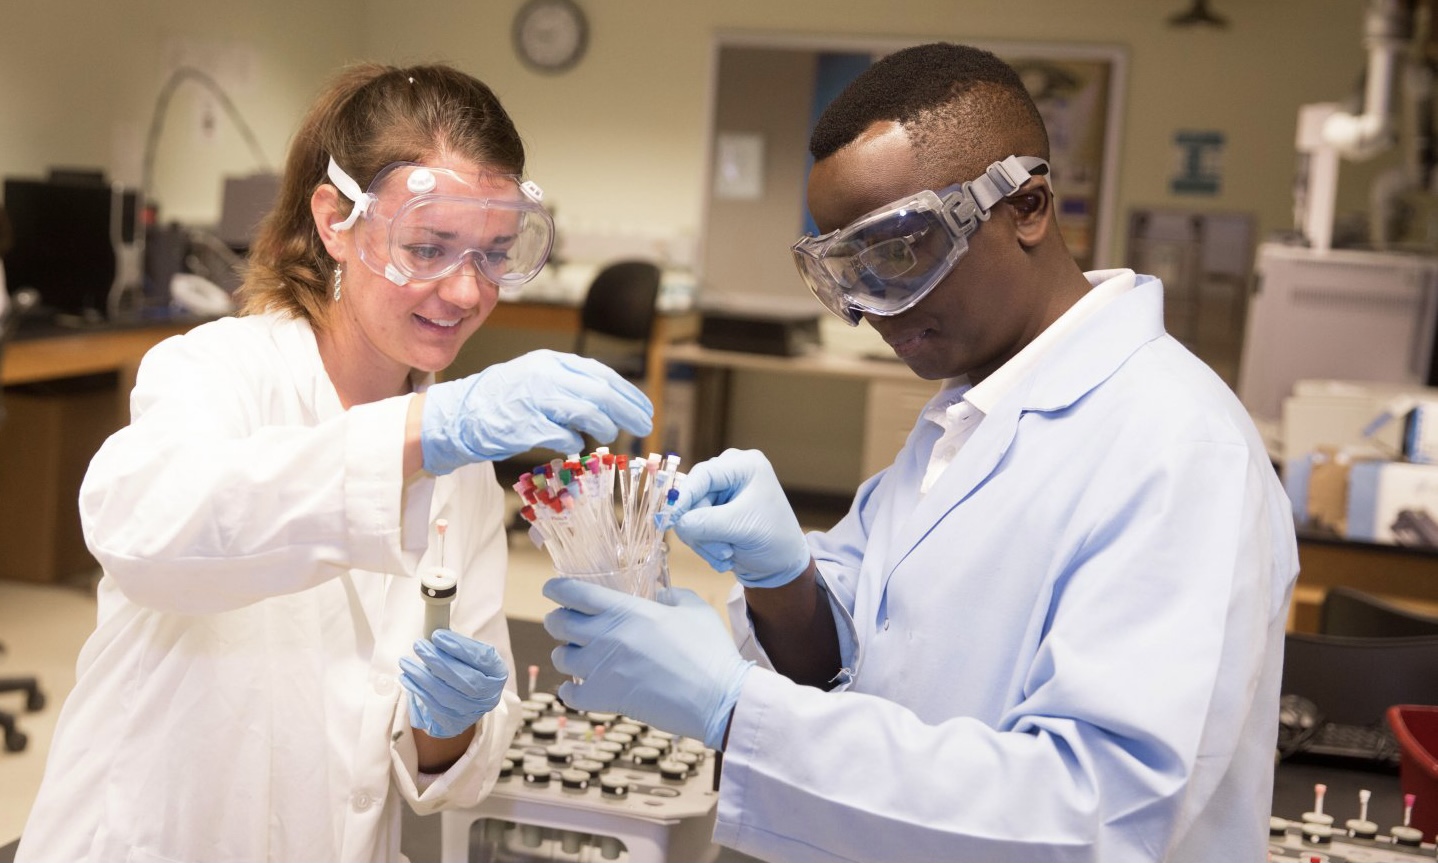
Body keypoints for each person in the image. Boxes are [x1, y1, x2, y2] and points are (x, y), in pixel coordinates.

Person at [543, 43, 1298, 862]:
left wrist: (735, 710)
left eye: (898, 253)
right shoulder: (967, 411)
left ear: (1029, 206)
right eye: (845, 269)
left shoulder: (1178, 449)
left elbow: (1094, 815)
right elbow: (873, 652)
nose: (868, 308)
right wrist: (788, 585)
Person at [16, 63, 652, 863]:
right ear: (336, 222)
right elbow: (143, 533)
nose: (464, 291)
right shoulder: (215, 370)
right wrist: (426, 427)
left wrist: (447, 725)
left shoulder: (460, 464)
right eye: (427, 246)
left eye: (493, 254)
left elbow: (456, 771)